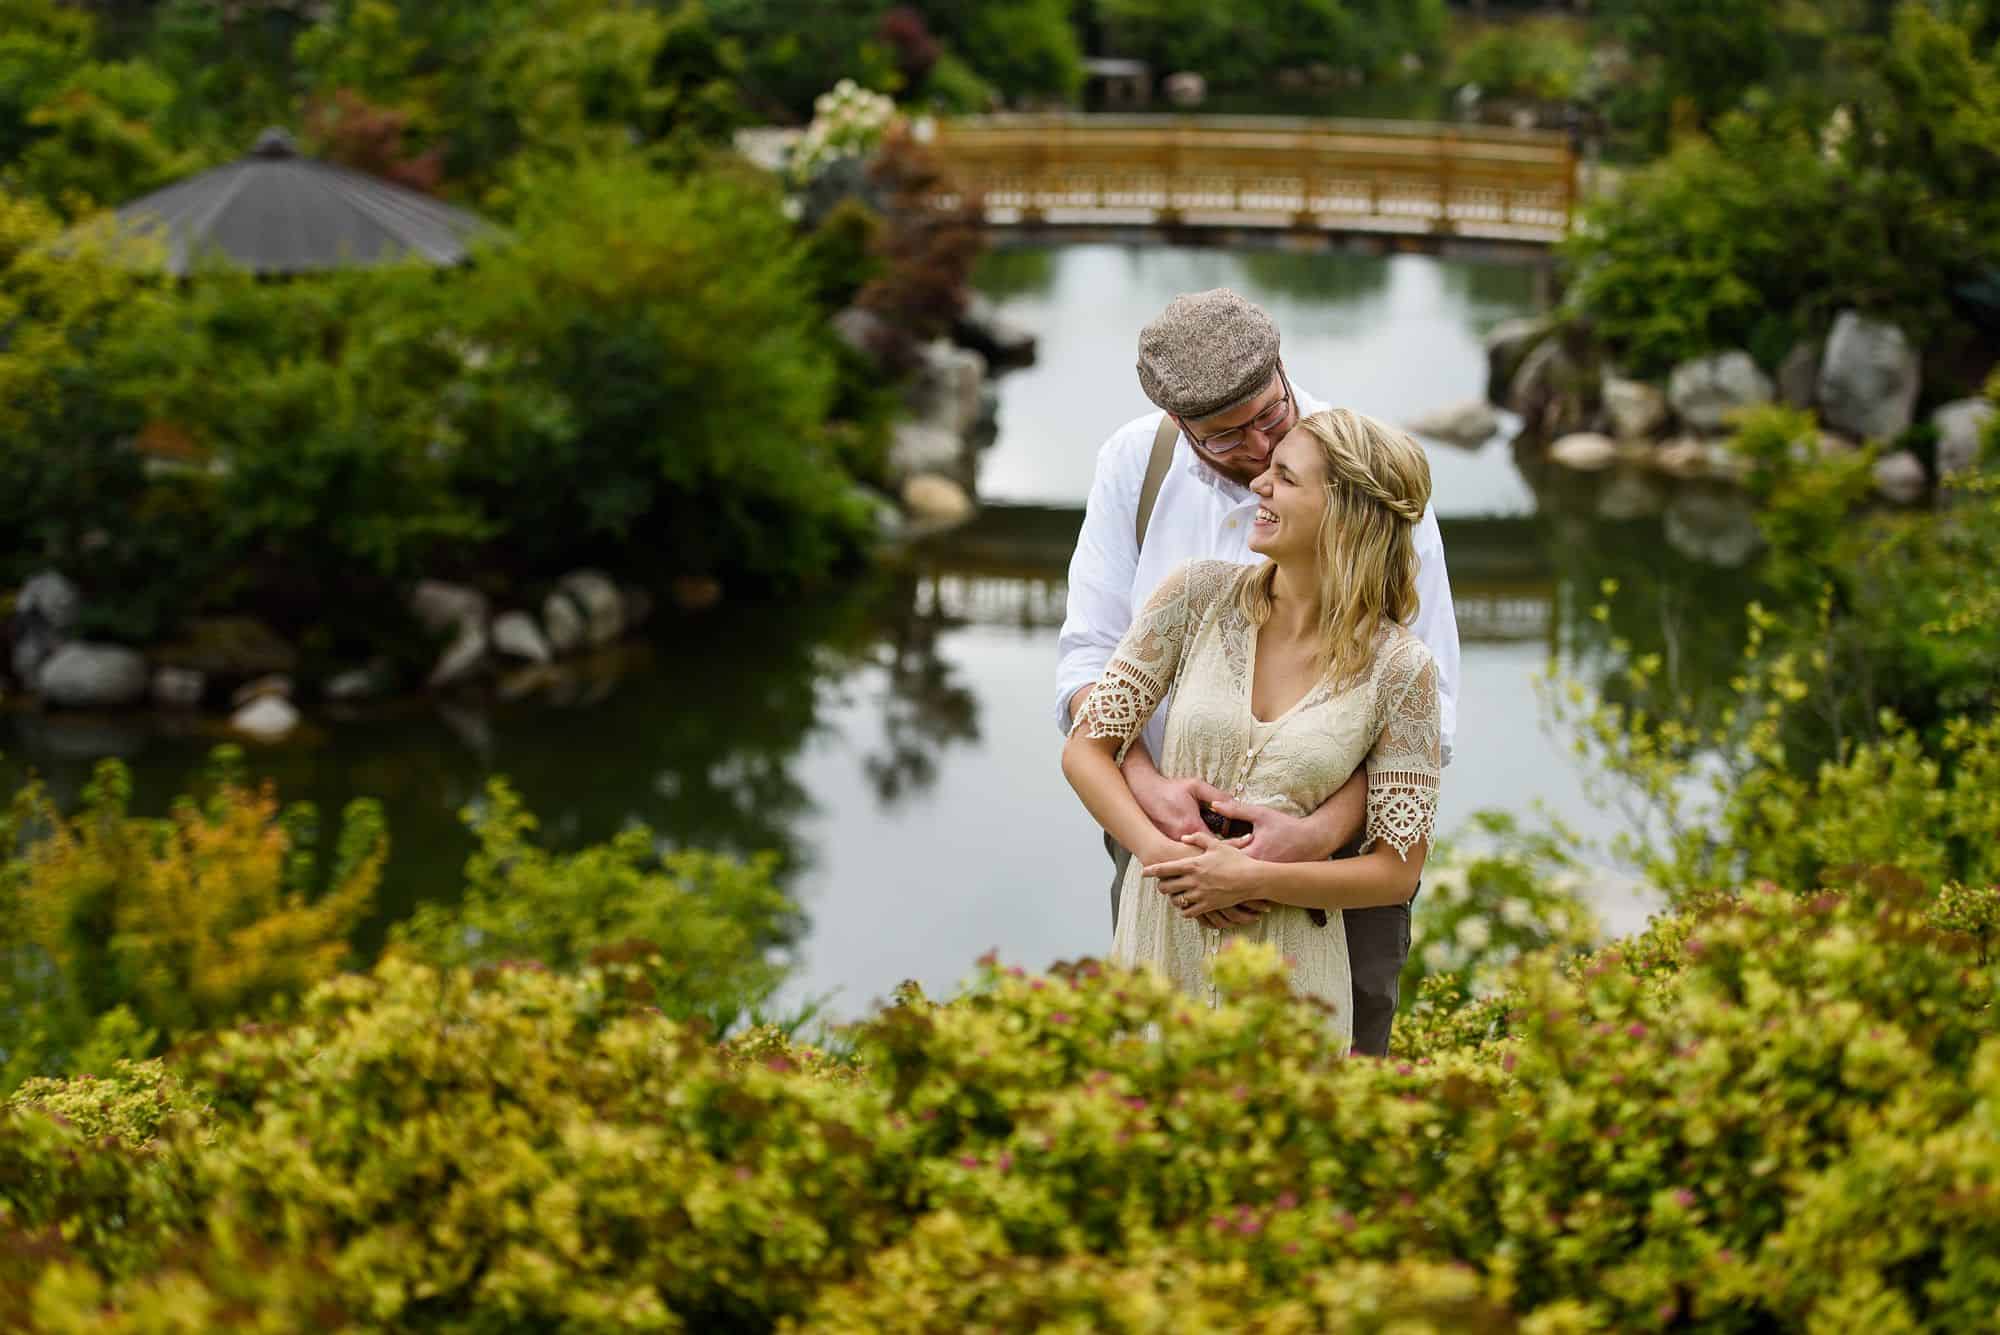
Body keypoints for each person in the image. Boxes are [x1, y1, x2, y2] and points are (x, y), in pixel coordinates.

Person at [1054, 288, 1460, 1054]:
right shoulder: (1141, 479)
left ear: (1282, 369)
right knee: (1152, 1066)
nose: (1257, 455)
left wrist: (1304, 839)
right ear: (1182, 426)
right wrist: (1156, 815)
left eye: (1272, 420)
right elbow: (1087, 666)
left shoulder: (1367, 474)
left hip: (1334, 865)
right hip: (1163, 842)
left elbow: (1428, 719)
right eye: (1226, 437)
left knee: (1339, 1065)